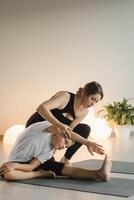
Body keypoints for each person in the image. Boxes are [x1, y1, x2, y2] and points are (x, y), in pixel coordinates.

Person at [0, 121, 112, 182]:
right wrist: (87, 142)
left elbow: (30, 166)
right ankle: (39, 174)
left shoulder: (50, 151)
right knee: (9, 175)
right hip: (17, 161)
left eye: (66, 147)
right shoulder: (43, 127)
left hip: (25, 165)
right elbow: (61, 129)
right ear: (62, 133)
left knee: (66, 169)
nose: (63, 147)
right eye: (65, 142)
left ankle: (99, 174)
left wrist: (15, 165)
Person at [26, 81, 104, 165]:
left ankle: (66, 159)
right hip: (37, 126)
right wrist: (59, 125)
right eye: (92, 99)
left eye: (96, 102)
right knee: (46, 165)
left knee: (85, 129)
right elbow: (41, 108)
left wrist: (83, 142)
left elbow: (69, 130)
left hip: (53, 131)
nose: (93, 104)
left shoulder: (85, 112)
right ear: (85, 93)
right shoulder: (65, 97)